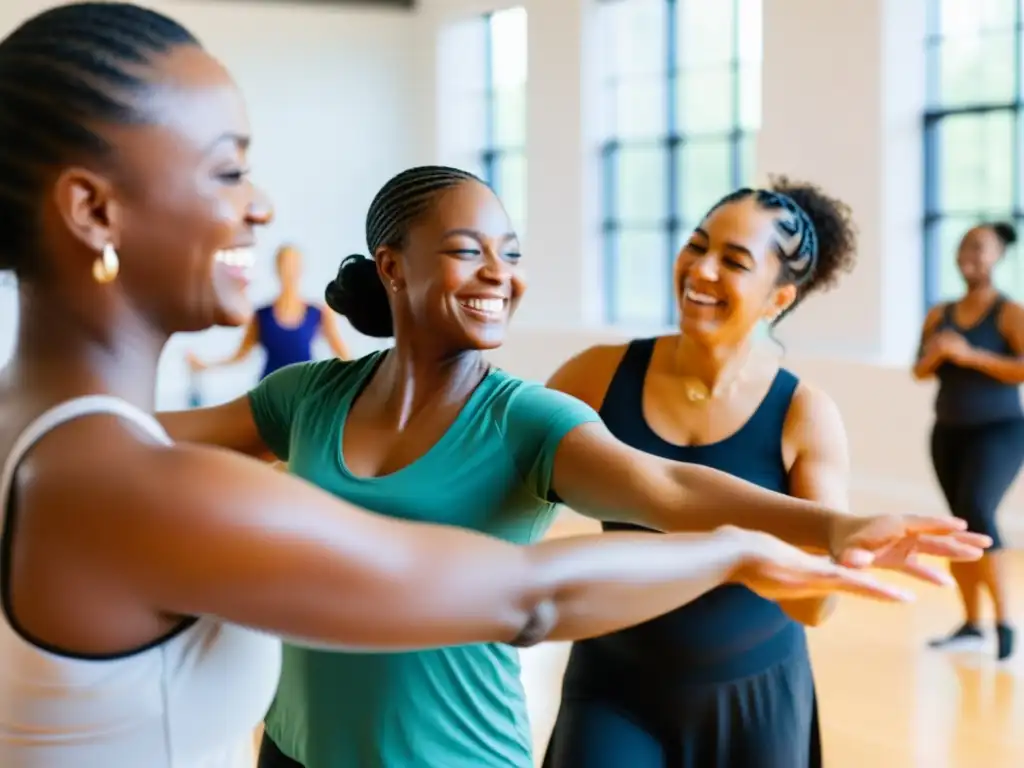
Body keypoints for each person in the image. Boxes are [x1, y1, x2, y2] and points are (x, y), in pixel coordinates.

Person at [0, 5, 958, 767]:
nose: (260, 205)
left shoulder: (48, 443)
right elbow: (525, 599)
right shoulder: (153, 473)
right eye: (228, 170)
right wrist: (738, 550)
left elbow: (656, 488)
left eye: (511, 251)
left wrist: (813, 527)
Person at [159, 165, 988, 768]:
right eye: (467, 249)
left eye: (510, 253)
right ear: (393, 266)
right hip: (301, 746)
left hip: (462, 751)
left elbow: (663, 485)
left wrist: (834, 525)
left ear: (779, 297)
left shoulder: (527, 417)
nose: (499, 273)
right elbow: (147, 439)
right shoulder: (307, 397)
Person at [538, 179, 877, 768]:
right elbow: (511, 485)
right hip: (613, 689)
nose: (702, 269)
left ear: (777, 299)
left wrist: (747, 554)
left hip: (754, 701)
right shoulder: (595, 375)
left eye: (735, 261)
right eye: (697, 245)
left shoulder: (803, 414)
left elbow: (816, 607)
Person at [913, 221, 1024, 661]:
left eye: (979, 249)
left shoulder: (1009, 312)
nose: (969, 257)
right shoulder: (939, 314)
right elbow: (918, 371)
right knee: (960, 524)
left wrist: (970, 355)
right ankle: (971, 623)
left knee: (979, 511)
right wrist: (937, 354)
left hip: (1000, 431)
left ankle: (1004, 621)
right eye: (963, 248)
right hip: (947, 433)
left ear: (997, 256)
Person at [187, 243, 350, 381]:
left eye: (294, 265)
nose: (289, 271)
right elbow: (240, 355)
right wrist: (205, 365)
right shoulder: (261, 315)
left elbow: (343, 354)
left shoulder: (318, 313)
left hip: (306, 393)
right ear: (277, 268)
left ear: (301, 269)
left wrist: (371, 374)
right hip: (268, 395)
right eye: (285, 264)